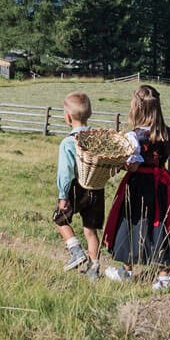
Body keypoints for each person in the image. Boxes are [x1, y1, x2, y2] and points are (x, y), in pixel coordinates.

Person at [103, 85, 170, 290]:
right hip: (163, 185)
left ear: (137, 108)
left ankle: (127, 270)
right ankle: (164, 276)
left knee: (132, 222)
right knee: (163, 224)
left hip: (139, 184)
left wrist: (122, 165)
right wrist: (166, 177)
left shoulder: (134, 136)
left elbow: (134, 164)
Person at [51, 91, 107, 279]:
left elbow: (66, 172)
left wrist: (62, 195)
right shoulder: (98, 140)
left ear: (67, 117)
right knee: (90, 230)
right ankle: (93, 271)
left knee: (60, 219)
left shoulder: (68, 142)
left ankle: (76, 252)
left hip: (77, 187)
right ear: (89, 114)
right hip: (97, 189)